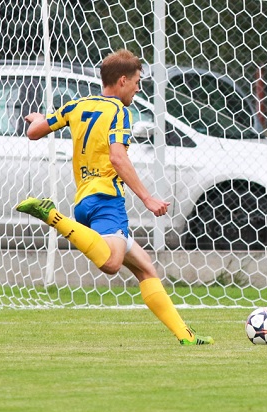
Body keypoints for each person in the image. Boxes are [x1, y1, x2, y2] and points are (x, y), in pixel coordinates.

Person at [16, 49, 213, 346]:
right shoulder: (121, 112)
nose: (138, 88)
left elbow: (34, 132)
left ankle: (185, 336)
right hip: (107, 198)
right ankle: (52, 216)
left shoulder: (75, 105)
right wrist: (148, 198)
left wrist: (39, 118)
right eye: (136, 82)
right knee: (110, 263)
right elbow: (118, 158)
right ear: (122, 80)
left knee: (145, 268)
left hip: (85, 200)